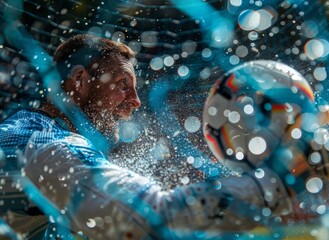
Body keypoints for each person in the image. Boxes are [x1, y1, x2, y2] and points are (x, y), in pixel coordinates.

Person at [0, 34, 292, 239]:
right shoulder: (51, 149)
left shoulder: (24, 128)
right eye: (122, 84)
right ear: (79, 81)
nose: (136, 101)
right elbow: (159, 216)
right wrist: (285, 178)